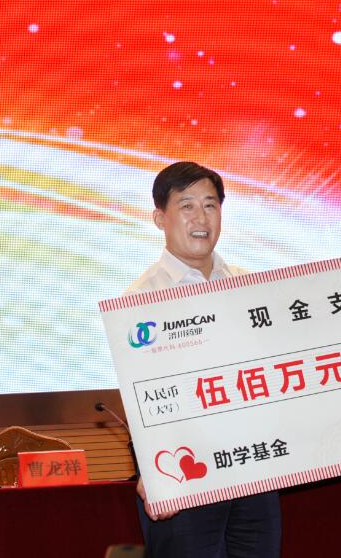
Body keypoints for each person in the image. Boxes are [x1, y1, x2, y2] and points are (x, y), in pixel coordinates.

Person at [124, 161, 281, 558]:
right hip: (183, 469)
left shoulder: (251, 287)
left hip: (253, 465)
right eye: (187, 206)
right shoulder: (139, 300)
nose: (201, 217)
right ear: (160, 218)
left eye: (210, 205)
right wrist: (152, 469)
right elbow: (141, 397)